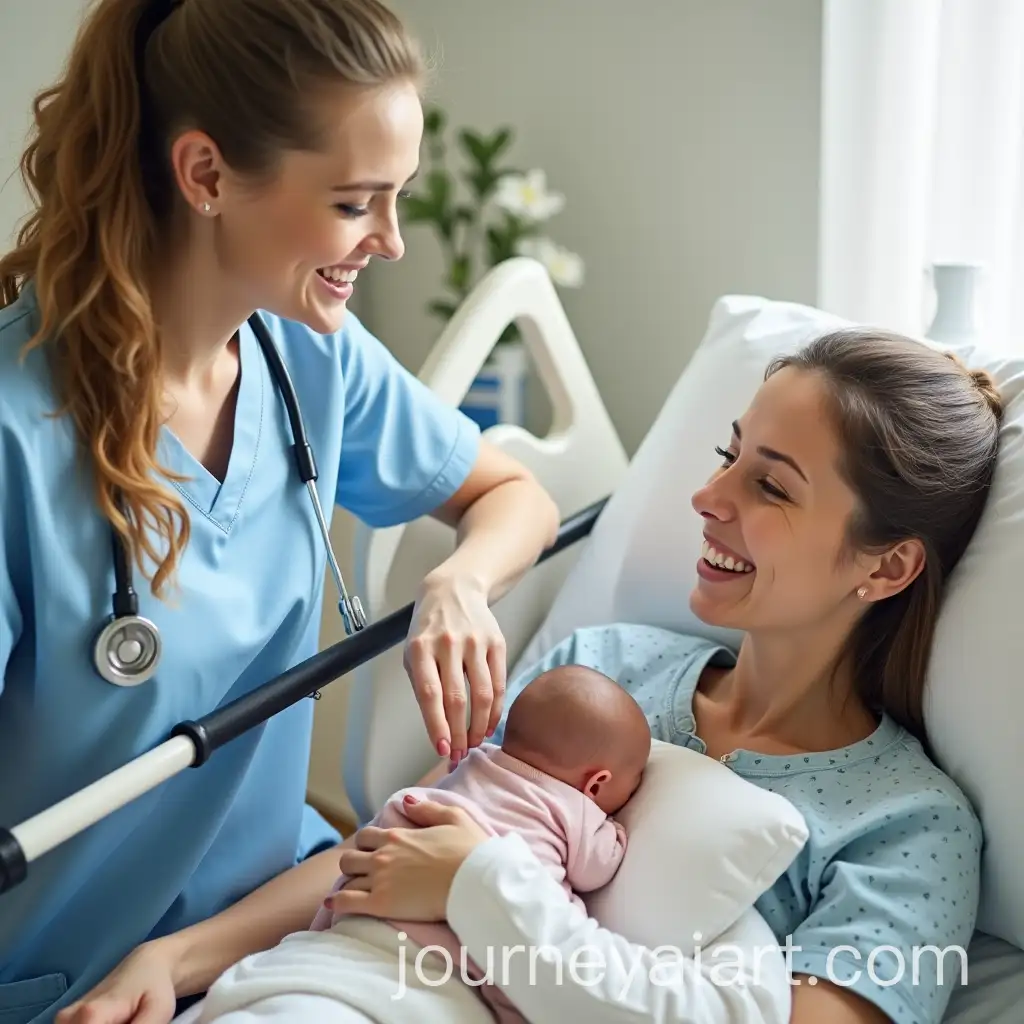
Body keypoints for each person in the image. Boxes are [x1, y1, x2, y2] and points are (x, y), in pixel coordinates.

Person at [0, 0, 560, 1021]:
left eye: (397, 199)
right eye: (355, 204)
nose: (389, 241)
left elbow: (514, 493)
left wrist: (459, 582)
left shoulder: (308, 354)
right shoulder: (14, 435)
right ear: (206, 174)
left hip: (270, 923)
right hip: (69, 985)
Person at [322, 330, 1002, 1024]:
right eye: (726, 456)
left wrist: (478, 887)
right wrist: (202, 956)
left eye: (770, 485)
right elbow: (389, 848)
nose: (708, 496)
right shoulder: (599, 676)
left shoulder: (908, 827)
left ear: (885, 567)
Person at [192, 665, 649, 1023]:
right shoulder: (575, 809)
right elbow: (596, 868)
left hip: (371, 915)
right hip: (448, 954)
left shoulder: (474, 764)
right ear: (598, 783)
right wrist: (618, 831)